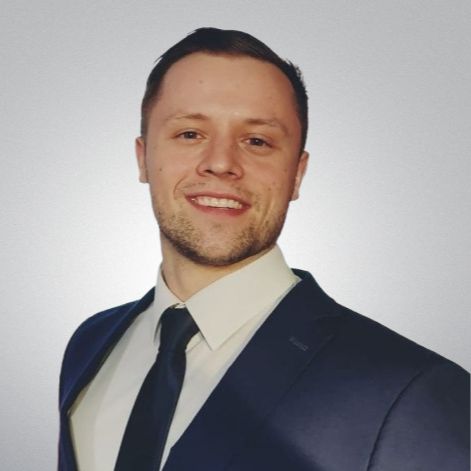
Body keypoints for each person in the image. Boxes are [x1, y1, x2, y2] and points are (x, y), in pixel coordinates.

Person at [58, 28, 469, 471]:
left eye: (257, 141)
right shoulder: (90, 344)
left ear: (297, 174)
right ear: (143, 158)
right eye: (190, 133)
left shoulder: (411, 392)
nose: (221, 163)